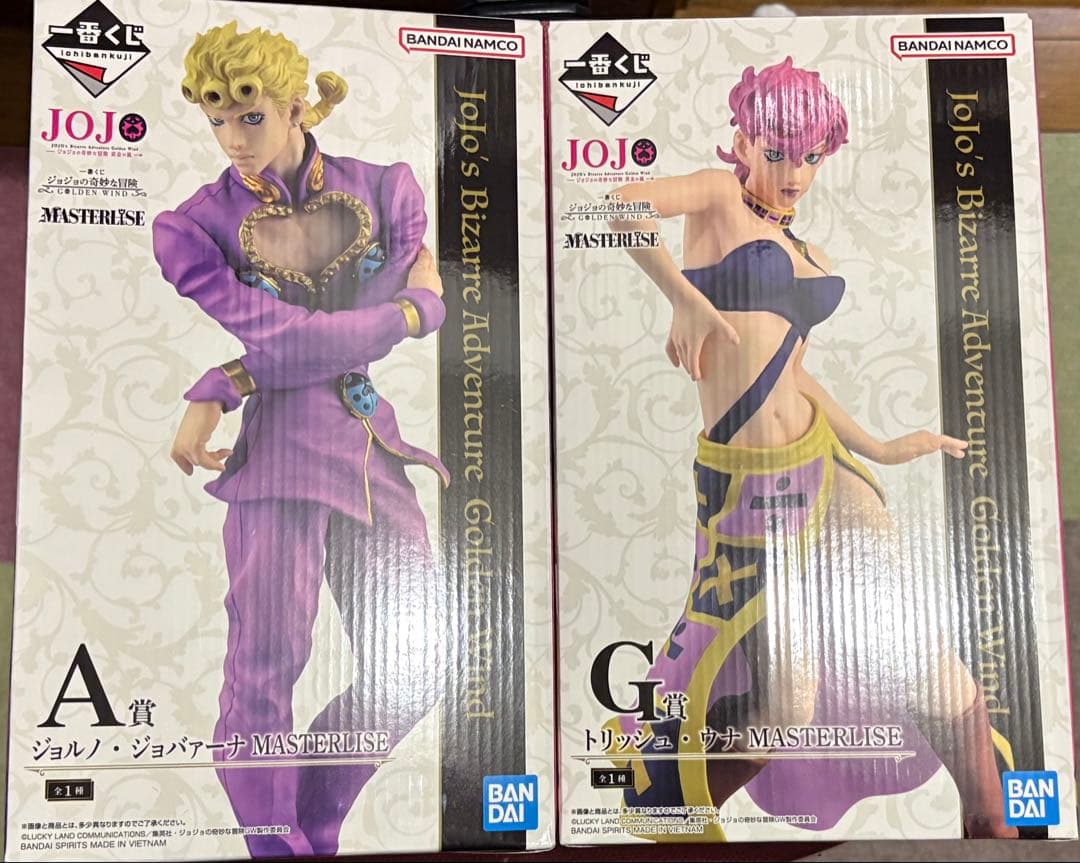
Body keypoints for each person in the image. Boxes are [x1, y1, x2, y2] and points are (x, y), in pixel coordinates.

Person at [607, 57, 1016, 839]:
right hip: (750, 488)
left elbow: (792, 372)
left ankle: (992, 821)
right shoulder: (718, 198)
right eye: (777, 151)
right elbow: (614, 205)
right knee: (782, 706)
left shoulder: (799, 243)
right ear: (742, 142)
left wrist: (882, 447)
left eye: (811, 156)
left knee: (918, 650)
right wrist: (682, 298)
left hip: (825, 462)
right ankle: (668, 808)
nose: (795, 173)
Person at [152, 22, 448, 858]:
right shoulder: (193, 225)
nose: (232, 139)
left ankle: (310, 820)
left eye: (249, 116)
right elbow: (290, 336)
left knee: (422, 659)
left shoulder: (385, 189)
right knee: (266, 662)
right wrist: (409, 312)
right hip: (279, 457)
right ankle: (273, 843)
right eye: (216, 119)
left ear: (294, 106)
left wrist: (227, 379)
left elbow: (299, 343)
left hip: (370, 447)